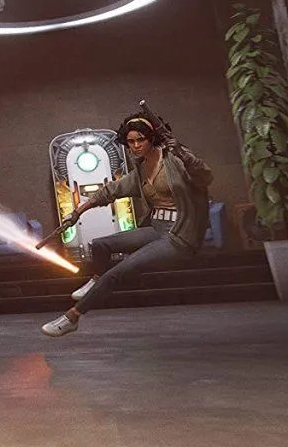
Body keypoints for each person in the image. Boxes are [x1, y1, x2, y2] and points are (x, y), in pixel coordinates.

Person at [41, 112, 214, 337]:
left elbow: (204, 177)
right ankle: (95, 282)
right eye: (131, 141)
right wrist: (76, 213)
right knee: (100, 245)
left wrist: (185, 155)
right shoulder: (141, 170)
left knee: (119, 271)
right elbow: (110, 191)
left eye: (140, 140)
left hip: (179, 234)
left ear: (152, 138)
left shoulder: (175, 160)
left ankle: (72, 317)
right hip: (157, 227)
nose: (136, 145)